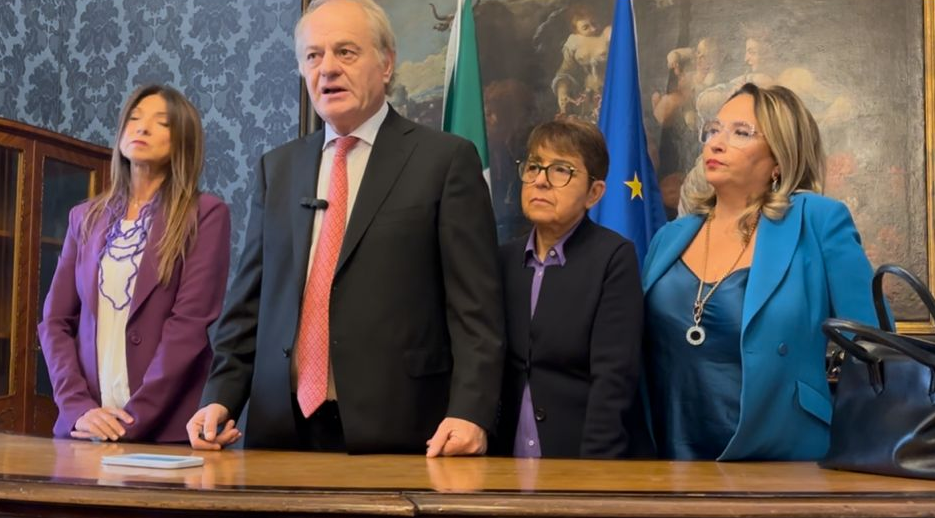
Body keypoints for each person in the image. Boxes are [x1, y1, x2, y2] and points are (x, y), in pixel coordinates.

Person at [187, 0, 504, 455]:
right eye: (313, 55)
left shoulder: (445, 161)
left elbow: (476, 310)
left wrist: (471, 411)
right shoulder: (278, 168)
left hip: (401, 429)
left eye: (346, 52)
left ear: (387, 63)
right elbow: (249, 303)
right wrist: (220, 397)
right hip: (281, 432)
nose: (328, 68)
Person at [641, 83, 880, 460]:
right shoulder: (668, 237)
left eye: (741, 133)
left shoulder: (819, 221)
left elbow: (874, 350)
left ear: (779, 159)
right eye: (713, 130)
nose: (716, 143)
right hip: (665, 455)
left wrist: (859, 460)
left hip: (781, 454)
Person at [38, 84, 231, 443]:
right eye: (135, 118)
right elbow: (54, 322)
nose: (142, 127)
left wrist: (130, 423)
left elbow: (188, 326)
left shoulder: (205, 214)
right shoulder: (84, 217)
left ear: (183, 140)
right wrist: (78, 408)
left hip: (164, 432)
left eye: (161, 122)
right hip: (87, 429)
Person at [495, 119, 643, 458]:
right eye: (534, 166)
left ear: (594, 193)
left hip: (579, 460)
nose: (541, 181)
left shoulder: (613, 257)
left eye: (561, 170)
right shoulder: (503, 259)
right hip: (503, 461)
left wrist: (592, 471)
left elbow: (614, 378)